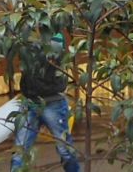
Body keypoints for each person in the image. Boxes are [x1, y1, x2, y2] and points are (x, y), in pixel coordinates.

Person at [10, 30, 80, 172]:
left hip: (52, 101)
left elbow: (53, 57)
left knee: (65, 150)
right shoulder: (24, 32)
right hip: (30, 101)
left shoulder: (54, 34)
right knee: (19, 152)